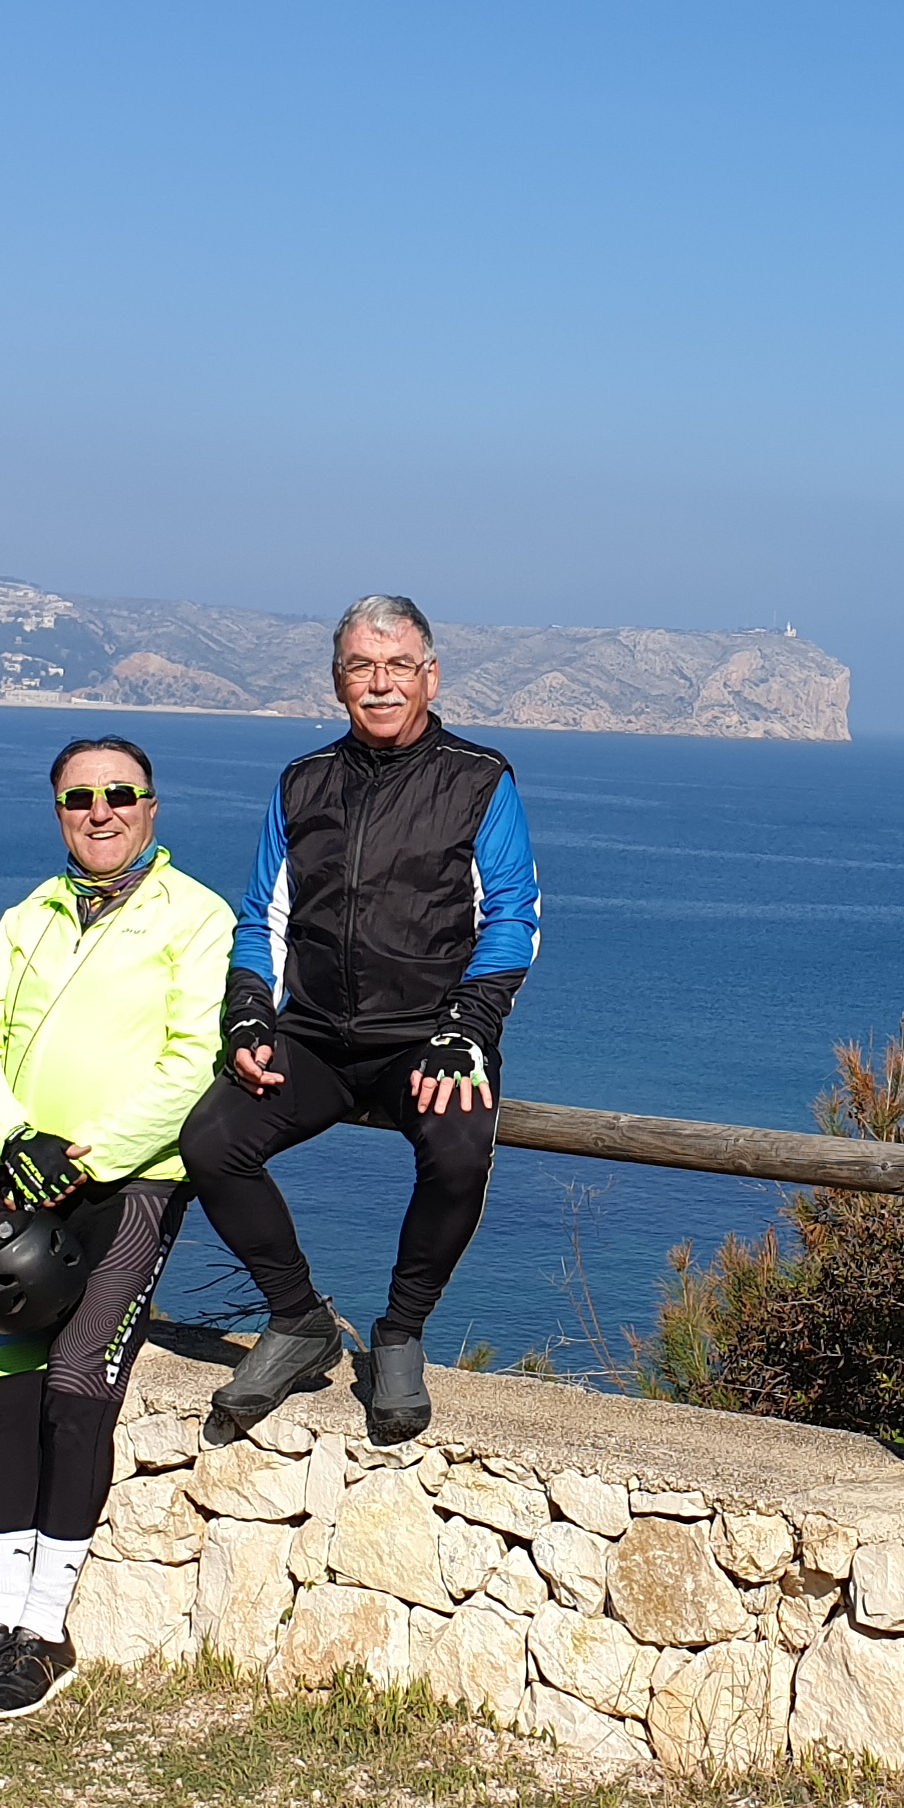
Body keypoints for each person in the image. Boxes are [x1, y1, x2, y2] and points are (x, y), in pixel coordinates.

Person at [0, 737, 233, 1721]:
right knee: (9, 1393)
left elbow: (194, 1061)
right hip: (21, 1183)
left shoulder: (197, 917)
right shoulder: (32, 914)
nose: (99, 813)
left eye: (119, 795)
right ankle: (0, 1624)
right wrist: (13, 1137)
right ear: (59, 811)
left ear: (151, 804)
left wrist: (85, 1154)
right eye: (78, 800)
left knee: (75, 1381)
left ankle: (46, 1633)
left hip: (130, 1189)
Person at [181, 594, 540, 1446]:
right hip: (315, 1034)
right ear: (337, 680)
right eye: (360, 668)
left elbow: (514, 916)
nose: (379, 685)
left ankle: (400, 1333)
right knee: (210, 1143)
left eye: (396, 666)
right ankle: (299, 1319)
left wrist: (469, 1027)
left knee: (458, 1152)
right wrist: (246, 1015)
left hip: (429, 1034)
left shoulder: (479, 777)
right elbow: (259, 917)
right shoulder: (302, 783)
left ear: (429, 675)